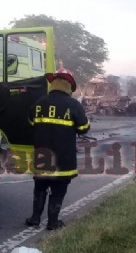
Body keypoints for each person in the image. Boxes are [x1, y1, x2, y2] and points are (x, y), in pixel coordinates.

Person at [25, 68, 90, 230]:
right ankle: (53, 222)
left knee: (40, 187)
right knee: (58, 190)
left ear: (53, 84)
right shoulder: (73, 105)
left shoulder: (39, 103)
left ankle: (35, 219)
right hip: (63, 158)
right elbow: (83, 128)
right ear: (68, 86)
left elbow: (30, 123)